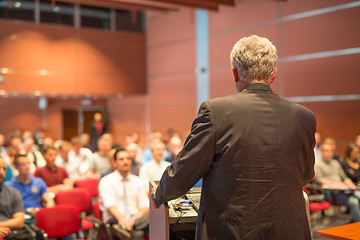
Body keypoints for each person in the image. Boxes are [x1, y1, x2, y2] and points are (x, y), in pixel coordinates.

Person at [151, 35, 316, 240]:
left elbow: (185, 169)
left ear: (235, 73)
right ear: (273, 74)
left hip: (233, 232)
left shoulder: (215, 112)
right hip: (290, 231)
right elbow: (306, 174)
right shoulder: (305, 117)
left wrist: (160, 192)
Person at [99, 148, 149, 240]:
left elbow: (145, 204)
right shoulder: (106, 181)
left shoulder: (138, 181)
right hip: (115, 220)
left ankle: (129, 228)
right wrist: (122, 219)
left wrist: (136, 217)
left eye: (128, 159)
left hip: (136, 218)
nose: (125, 162)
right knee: (138, 233)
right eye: (121, 159)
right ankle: (129, 228)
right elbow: (110, 205)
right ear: (115, 162)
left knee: (153, 215)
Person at [315, 142, 360, 222]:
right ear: (322, 152)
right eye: (326, 151)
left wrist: (350, 183)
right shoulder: (318, 165)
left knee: (359, 195)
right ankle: (357, 225)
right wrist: (337, 184)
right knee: (354, 202)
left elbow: (344, 177)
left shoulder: (335, 163)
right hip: (330, 193)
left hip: (343, 190)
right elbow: (320, 180)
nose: (329, 153)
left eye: (331, 151)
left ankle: (354, 221)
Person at [0, 156, 25, 238]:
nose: (1, 172)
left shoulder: (14, 193)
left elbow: (20, 222)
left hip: (10, 233)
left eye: (4, 169)